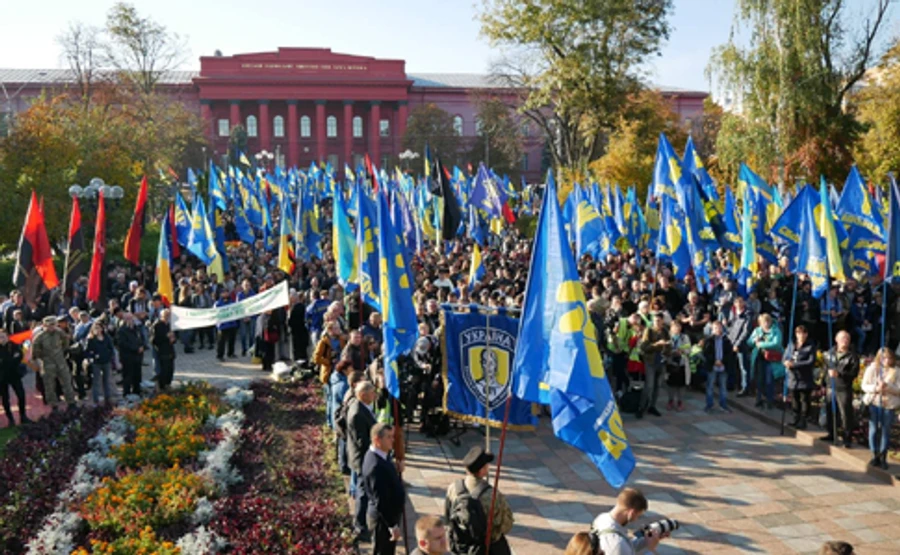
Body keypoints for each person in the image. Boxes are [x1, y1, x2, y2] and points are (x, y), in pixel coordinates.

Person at [445, 445, 513, 555]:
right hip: (489, 548)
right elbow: (506, 524)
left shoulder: (453, 488)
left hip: (461, 546)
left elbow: (448, 517)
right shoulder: (492, 495)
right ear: (482, 470)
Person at [362, 422, 406, 555]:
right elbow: (380, 500)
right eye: (389, 437)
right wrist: (392, 525)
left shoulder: (381, 454)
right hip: (383, 521)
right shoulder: (375, 466)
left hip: (388, 517)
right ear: (377, 439)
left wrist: (397, 470)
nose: (393, 440)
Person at [591, 488, 665, 555]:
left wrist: (646, 541)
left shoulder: (601, 518)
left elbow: (628, 548)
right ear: (631, 513)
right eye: (638, 516)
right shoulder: (617, 544)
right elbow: (622, 548)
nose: (636, 519)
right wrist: (650, 548)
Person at [860, 347, 900, 470]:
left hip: (889, 405)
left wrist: (887, 387)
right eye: (883, 358)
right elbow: (864, 386)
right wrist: (876, 388)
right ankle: (874, 454)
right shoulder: (873, 369)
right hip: (875, 403)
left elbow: (899, 390)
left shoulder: (897, 371)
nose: (886, 360)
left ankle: (883, 456)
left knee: (885, 430)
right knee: (873, 429)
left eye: (888, 358)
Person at [348, 381, 378, 542]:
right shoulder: (358, 413)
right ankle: (360, 526)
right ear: (363, 394)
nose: (375, 395)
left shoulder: (362, 407)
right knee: (363, 493)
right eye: (372, 392)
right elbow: (362, 441)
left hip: (362, 456)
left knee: (364, 491)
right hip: (362, 458)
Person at [822, 330, 859, 447]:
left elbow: (853, 373)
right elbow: (825, 368)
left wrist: (840, 374)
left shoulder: (852, 357)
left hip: (843, 388)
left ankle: (847, 438)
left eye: (847, 339)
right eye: (842, 338)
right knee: (830, 410)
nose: (845, 341)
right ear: (836, 340)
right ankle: (831, 433)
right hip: (831, 386)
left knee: (845, 414)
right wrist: (824, 382)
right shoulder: (830, 353)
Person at [31, 316, 77, 411]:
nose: (52, 327)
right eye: (49, 325)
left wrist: (62, 351)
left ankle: (71, 403)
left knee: (67, 382)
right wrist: (43, 357)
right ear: (44, 325)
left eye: (54, 325)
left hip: (60, 362)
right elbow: (35, 351)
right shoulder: (39, 337)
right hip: (48, 364)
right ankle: (53, 405)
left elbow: (66, 341)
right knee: (50, 386)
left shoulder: (59, 332)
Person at [783, 325, 817, 430]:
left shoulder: (810, 346)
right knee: (795, 399)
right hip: (793, 378)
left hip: (804, 378)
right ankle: (795, 418)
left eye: (802, 333)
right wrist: (786, 362)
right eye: (798, 333)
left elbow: (810, 361)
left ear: (806, 334)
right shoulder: (792, 344)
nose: (800, 336)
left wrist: (795, 364)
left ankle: (803, 420)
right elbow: (785, 356)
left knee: (804, 400)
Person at [748, 313, 784, 410]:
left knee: (769, 381)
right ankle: (758, 399)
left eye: (767, 322)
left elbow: (776, 344)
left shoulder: (776, 331)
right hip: (759, 359)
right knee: (759, 380)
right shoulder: (757, 331)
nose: (765, 324)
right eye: (763, 322)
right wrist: (755, 340)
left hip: (771, 360)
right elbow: (749, 342)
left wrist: (761, 344)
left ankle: (769, 401)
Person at [638, 313, 669, 418]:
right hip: (650, 361)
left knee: (657, 386)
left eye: (659, 321)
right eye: (655, 321)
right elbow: (644, 347)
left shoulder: (665, 331)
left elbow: (668, 345)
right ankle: (641, 408)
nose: (657, 323)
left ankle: (652, 406)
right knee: (649, 386)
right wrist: (657, 344)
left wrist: (667, 347)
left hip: (661, 361)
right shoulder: (649, 331)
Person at [702, 320, 734, 413]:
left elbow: (729, 354)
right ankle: (709, 405)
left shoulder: (726, 340)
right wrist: (714, 361)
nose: (718, 330)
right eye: (715, 328)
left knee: (723, 387)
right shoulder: (709, 340)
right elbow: (706, 353)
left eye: (719, 327)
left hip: (723, 366)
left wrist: (722, 361)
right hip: (712, 366)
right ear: (712, 329)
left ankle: (723, 405)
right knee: (710, 386)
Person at [0, 330, 29, 426]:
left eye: (3, 337)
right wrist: (10, 360)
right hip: (2, 377)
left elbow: (19, 356)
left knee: (21, 395)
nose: (1, 339)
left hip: (14, 375)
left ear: (7, 337)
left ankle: (23, 416)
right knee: (5, 398)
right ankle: (10, 419)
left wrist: (6, 361)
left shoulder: (13, 345)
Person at [727, 297, 753, 396]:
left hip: (741, 344)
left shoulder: (747, 314)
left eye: (740, 302)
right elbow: (731, 327)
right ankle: (732, 384)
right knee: (732, 365)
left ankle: (745, 388)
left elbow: (746, 331)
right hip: (731, 341)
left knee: (744, 367)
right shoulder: (733, 313)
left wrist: (738, 343)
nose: (738, 304)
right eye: (737, 302)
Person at [84, 322, 115, 405]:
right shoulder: (90, 339)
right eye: (96, 328)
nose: (98, 330)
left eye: (99, 328)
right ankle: (96, 399)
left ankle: (108, 398)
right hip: (96, 363)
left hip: (106, 361)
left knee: (107, 380)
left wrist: (110, 356)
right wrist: (93, 357)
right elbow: (87, 351)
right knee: (96, 381)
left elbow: (111, 348)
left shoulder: (107, 338)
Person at [116, 312, 145, 397]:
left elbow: (142, 338)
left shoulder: (136, 329)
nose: (130, 320)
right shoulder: (121, 330)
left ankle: (137, 391)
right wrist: (136, 349)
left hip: (138, 357)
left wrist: (142, 346)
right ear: (124, 320)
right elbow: (122, 344)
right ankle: (127, 393)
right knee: (128, 376)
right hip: (127, 357)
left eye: (131, 318)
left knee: (137, 375)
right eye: (128, 318)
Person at [665, 321, 691, 411]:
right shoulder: (667, 337)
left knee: (681, 385)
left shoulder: (684, 337)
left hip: (682, 364)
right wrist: (672, 352)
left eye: (678, 327)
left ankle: (680, 401)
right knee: (671, 385)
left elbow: (688, 349)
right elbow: (664, 350)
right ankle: (670, 400)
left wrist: (682, 351)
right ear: (671, 328)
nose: (676, 329)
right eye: (674, 327)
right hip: (670, 363)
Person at [151, 309, 177, 390]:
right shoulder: (157, 325)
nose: (167, 318)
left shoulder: (169, 325)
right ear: (161, 316)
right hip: (162, 351)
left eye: (168, 316)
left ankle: (168, 384)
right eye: (165, 316)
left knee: (170, 370)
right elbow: (154, 340)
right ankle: (162, 387)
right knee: (164, 371)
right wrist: (166, 337)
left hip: (170, 351)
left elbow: (174, 338)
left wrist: (173, 339)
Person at [214, 290, 239, 361]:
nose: (225, 294)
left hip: (232, 324)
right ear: (221, 294)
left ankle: (230, 353)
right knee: (221, 341)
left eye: (227, 292)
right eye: (223, 292)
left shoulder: (232, 302)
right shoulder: (218, 303)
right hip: (222, 325)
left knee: (232, 340)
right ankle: (220, 355)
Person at [288, 292, 310, 361]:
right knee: (303, 349)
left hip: (296, 331)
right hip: (303, 330)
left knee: (297, 348)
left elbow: (291, 320)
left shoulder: (295, 308)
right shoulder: (303, 306)